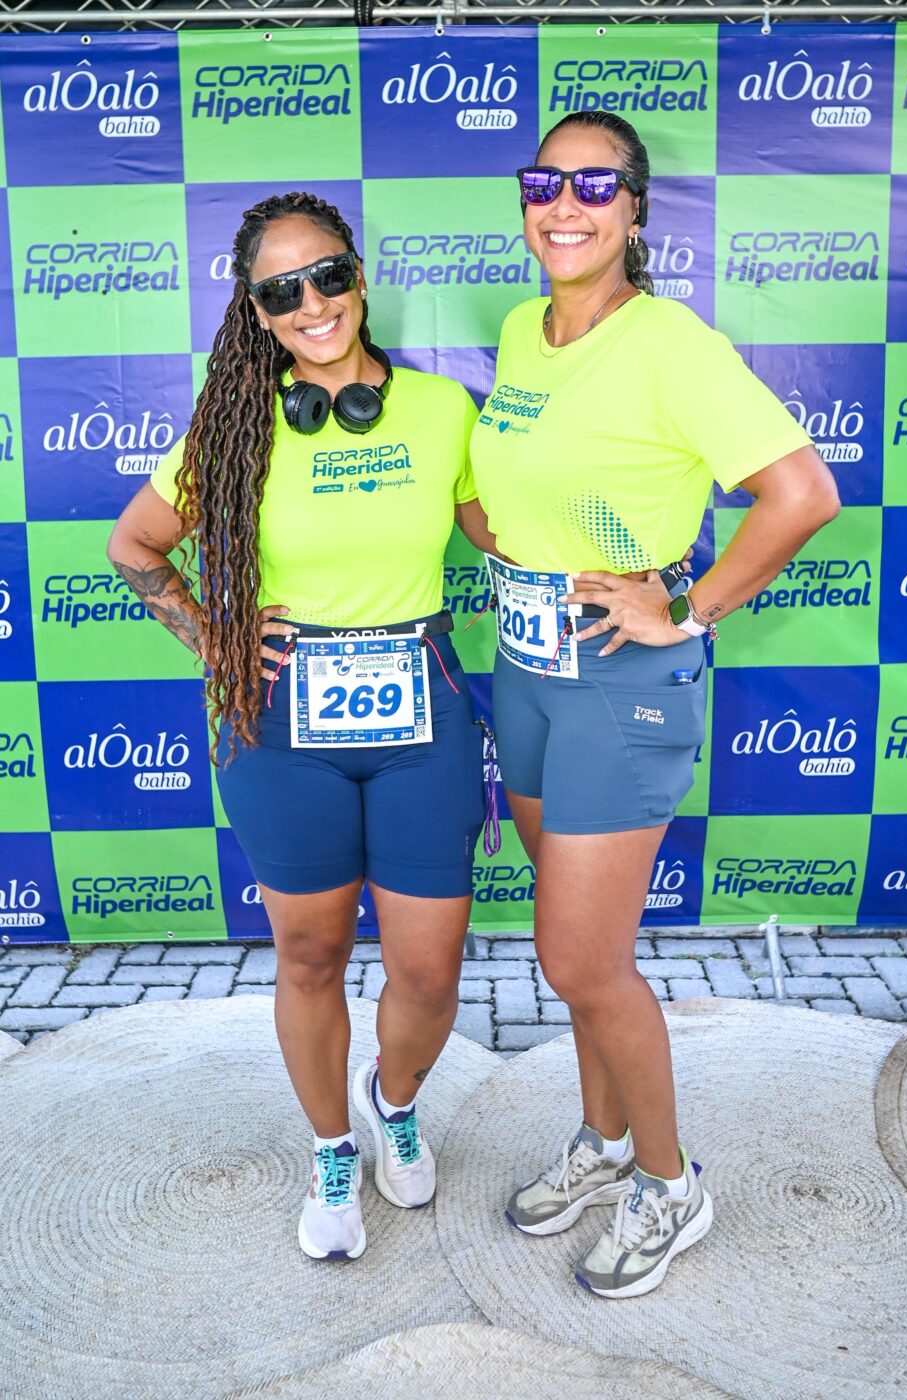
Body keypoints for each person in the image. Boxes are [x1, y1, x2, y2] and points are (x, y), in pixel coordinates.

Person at [469, 112, 840, 1299]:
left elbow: (799, 492)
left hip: (618, 685)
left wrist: (683, 604)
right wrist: (500, 542)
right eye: (543, 181)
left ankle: (669, 1181)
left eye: (593, 184)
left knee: (579, 958)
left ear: (633, 211)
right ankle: (604, 1138)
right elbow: (512, 487)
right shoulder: (524, 331)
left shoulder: (669, 341)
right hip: (526, 667)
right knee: (580, 955)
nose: (561, 203)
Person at [107, 191, 499, 1262]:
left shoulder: (440, 412)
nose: (312, 302)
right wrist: (219, 634)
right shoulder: (233, 428)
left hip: (420, 712)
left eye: (327, 274)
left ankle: (393, 1098)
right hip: (279, 723)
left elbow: (503, 535)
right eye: (281, 290)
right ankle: (332, 1144)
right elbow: (135, 546)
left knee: (426, 973)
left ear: (358, 275)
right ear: (256, 310)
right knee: (311, 952)